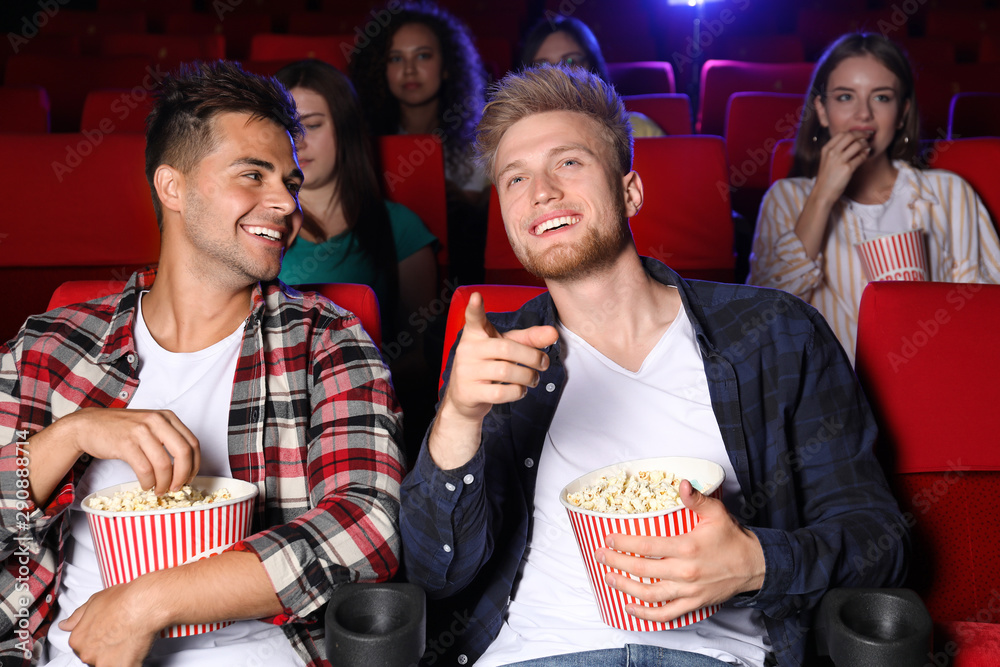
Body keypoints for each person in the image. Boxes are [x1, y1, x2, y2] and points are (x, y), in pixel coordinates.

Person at [399, 65, 909, 667]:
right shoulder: (493, 353)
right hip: (538, 654)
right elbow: (435, 576)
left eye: (568, 163)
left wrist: (755, 561)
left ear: (631, 190)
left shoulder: (776, 332)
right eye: (515, 178)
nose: (540, 191)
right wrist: (458, 418)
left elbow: (880, 538)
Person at [0, 61, 405, 667]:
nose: (286, 203)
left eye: (290, 182)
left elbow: (367, 529)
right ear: (173, 187)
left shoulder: (325, 342)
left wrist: (147, 603)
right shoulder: (54, 344)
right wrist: (73, 434)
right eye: (253, 174)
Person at [748, 32, 1000, 361]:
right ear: (822, 111)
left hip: (932, 377)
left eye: (881, 98)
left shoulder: (950, 192)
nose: (863, 114)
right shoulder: (786, 198)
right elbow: (765, 314)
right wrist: (822, 196)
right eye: (845, 97)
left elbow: (984, 305)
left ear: (902, 112)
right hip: (828, 395)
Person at [275, 59, 437, 340]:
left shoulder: (400, 226)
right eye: (286, 128)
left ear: (345, 128)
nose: (297, 142)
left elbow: (421, 355)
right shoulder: (254, 224)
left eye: (312, 125)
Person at [350, 1, 489, 285]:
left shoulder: (483, 138)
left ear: (447, 66)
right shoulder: (363, 141)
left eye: (423, 56)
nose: (410, 70)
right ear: (380, 69)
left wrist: (471, 204)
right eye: (396, 58)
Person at [520, 15, 666, 138]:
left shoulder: (638, 131)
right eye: (543, 65)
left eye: (570, 61)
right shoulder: (516, 134)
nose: (557, 72)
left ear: (592, 65)